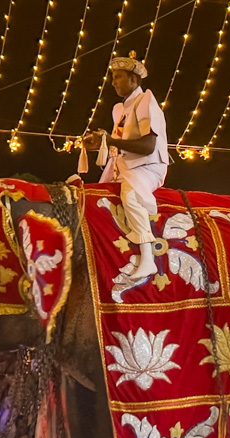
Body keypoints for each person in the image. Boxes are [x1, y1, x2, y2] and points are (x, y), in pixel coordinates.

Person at [81, 51, 171, 280]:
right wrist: (99, 144)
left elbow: (149, 146)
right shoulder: (119, 110)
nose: (113, 83)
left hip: (149, 166)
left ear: (134, 80)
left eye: (118, 77)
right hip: (125, 166)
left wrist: (110, 140)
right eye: (113, 78)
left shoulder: (146, 100)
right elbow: (119, 147)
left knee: (130, 196)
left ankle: (148, 258)